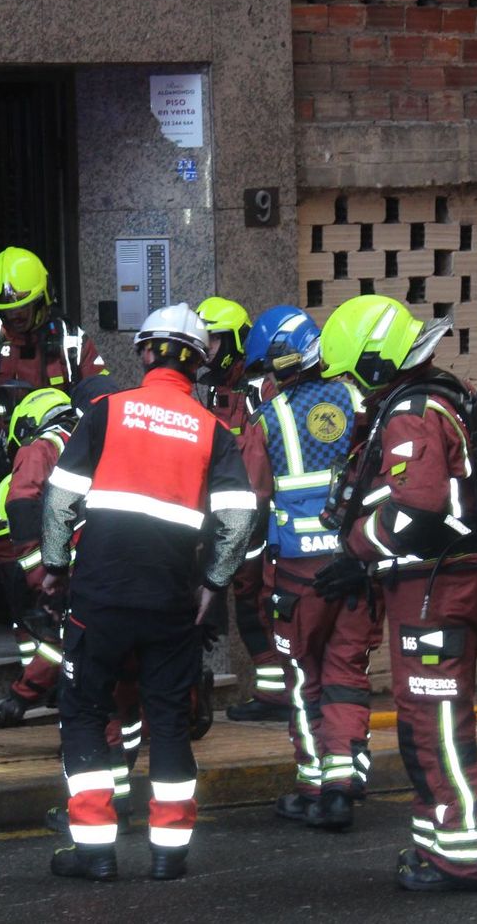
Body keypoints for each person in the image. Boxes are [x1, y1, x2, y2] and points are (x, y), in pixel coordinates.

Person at [42, 303, 258, 882]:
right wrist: (214, 583)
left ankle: (95, 851)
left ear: (144, 352)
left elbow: (61, 499)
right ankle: (169, 852)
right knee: (167, 719)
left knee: (86, 713)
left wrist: (56, 567)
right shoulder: (213, 430)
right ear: (200, 362)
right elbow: (239, 518)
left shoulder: (105, 412)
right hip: (172, 602)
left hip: (99, 598)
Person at [312, 296, 477, 893]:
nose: (352, 389)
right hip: (447, 587)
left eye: (352, 375)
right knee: (429, 721)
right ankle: (437, 843)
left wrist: (356, 556)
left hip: (435, 594)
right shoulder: (446, 396)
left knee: (434, 725)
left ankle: (465, 857)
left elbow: (415, 508)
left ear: (375, 363)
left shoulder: (410, 412)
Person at [241, 305, 376, 831]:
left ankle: (314, 784)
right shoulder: (363, 402)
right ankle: (342, 785)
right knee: (346, 674)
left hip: (297, 576)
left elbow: (251, 505)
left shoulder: (267, 419)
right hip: (357, 566)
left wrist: (243, 579)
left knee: (303, 680)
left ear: (280, 362)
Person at [0, 247, 108, 521]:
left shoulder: (72, 344)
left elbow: (102, 408)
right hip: (1, 469)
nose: (16, 316)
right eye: (8, 311)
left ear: (43, 298)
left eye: (23, 306)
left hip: (62, 465)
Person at [196, 297, 287, 722]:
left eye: (211, 341)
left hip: (263, 522)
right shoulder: (217, 392)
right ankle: (274, 693)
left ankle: (281, 694)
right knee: (247, 604)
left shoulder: (262, 390)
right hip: (230, 521)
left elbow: (262, 465)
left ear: (233, 341)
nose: (203, 350)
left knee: (260, 604)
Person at [0, 387, 80, 727]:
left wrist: (19, 698)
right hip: (123, 557)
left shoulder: (39, 450)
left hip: (75, 569)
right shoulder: (89, 443)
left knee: (74, 640)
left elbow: (55, 643)